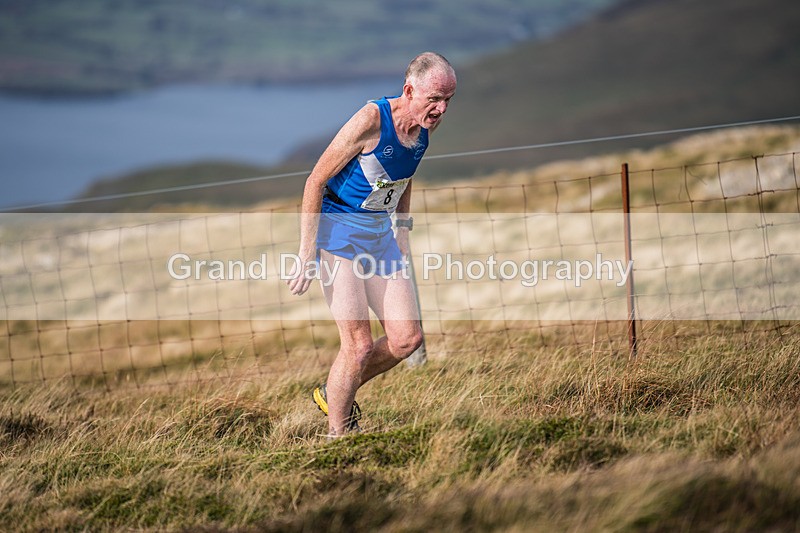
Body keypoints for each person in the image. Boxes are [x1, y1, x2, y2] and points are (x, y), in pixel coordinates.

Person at [286, 52, 457, 437]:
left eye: (448, 99)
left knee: (406, 340)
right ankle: (338, 437)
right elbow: (315, 181)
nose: (441, 108)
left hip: (380, 239)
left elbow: (405, 175)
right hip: (338, 235)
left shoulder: (425, 128)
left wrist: (402, 227)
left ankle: (336, 390)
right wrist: (305, 252)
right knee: (358, 346)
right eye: (434, 98)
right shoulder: (371, 120)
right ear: (409, 89)